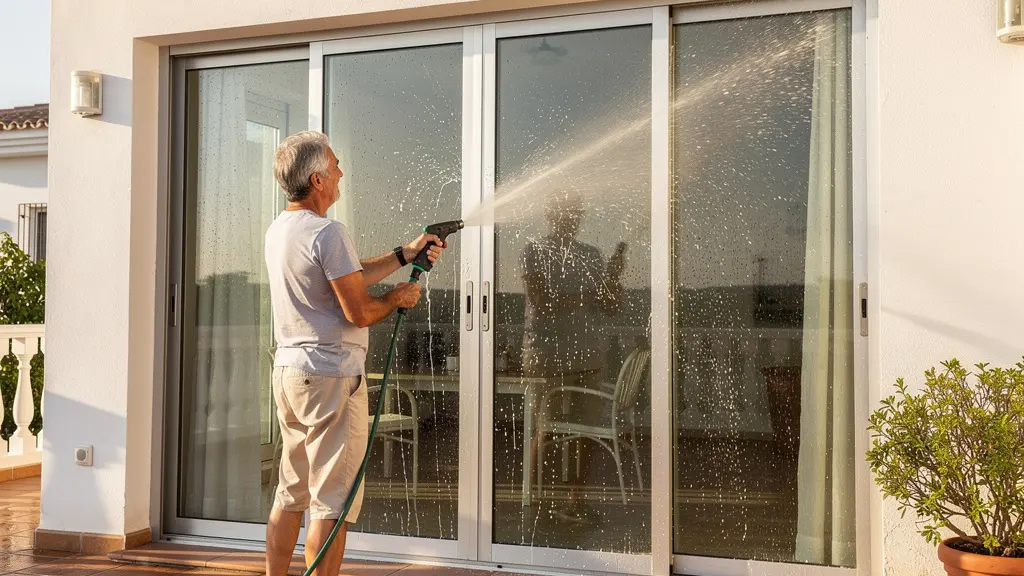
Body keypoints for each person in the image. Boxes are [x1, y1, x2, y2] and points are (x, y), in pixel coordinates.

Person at [263, 131, 445, 576]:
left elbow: (351, 273)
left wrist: (407, 252)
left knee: (292, 491)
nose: (341, 172)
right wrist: (398, 298)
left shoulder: (280, 229)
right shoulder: (329, 231)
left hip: (291, 372)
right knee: (332, 501)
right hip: (330, 377)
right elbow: (359, 309)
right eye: (335, 165)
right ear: (318, 180)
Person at [521, 191, 626, 525]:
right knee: (547, 428)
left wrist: (613, 278)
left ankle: (574, 501)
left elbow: (610, 307)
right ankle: (534, 500)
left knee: (585, 431)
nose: (573, 219)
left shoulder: (592, 256)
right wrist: (593, 293)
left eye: (576, 214)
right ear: (552, 216)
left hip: (588, 355)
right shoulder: (533, 251)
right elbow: (541, 301)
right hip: (546, 356)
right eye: (567, 213)